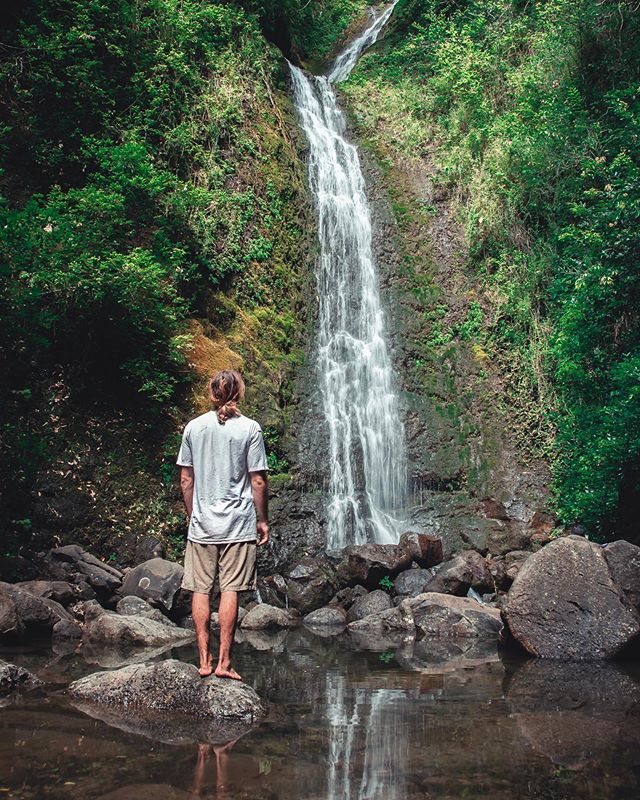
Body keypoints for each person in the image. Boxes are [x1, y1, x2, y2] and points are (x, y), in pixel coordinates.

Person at [177, 369, 269, 680]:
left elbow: (186, 478)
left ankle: (204, 661)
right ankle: (224, 663)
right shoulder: (250, 429)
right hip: (239, 522)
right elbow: (257, 480)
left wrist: (193, 514)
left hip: (203, 524)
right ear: (238, 393)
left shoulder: (193, 427)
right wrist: (263, 519)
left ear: (212, 393)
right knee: (231, 590)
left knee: (200, 589)